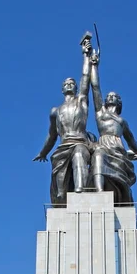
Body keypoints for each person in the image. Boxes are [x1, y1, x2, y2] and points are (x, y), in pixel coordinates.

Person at [33, 38, 94, 204]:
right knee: (60, 194)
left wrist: (86, 55)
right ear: (62, 89)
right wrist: (43, 152)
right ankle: (63, 204)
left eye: (72, 83)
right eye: (66, 83)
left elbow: (85, 77)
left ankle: (82, 193)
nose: (69, 84)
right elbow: (52, 135)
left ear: (75, 87)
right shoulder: (55, 111)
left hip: (80, 142)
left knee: (80, 153)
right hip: (62, 148)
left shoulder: (81, 101)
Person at [89, 53, 137, 203]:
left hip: (119, 152)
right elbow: (95, 87)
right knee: (98, 155)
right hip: (104, 146)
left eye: (115, 96)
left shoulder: (122, 122)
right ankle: (99, 193)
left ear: (119, 103)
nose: (111, 96)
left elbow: (132, 142)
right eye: (109, 95)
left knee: (122, 184)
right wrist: (94, 66)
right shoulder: (100, 114)